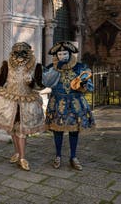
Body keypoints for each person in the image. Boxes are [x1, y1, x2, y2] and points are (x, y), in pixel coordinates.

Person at [0, 42, 45, 171]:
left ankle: (22, 158)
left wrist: (32, 82)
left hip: (27, 104)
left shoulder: (36, 66)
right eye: (16, 53)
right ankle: (17, 153)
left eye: (23, 53)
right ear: (13, 53)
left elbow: (41, 85)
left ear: (29, 54)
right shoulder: (7, 65)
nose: (19, 56)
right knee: (13, 129)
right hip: (9, 101)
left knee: (22, 130)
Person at [42, 41, 95, 171]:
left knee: (74, 130)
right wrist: (56, 69)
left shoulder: (80, 67)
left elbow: (91, 86)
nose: (63, 56)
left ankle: (73, 157)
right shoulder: (51, 67)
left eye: (65, 53)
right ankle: (58, 156)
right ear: (56, 55)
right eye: (60, 54)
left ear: (70, 54)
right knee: (57, 131)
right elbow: (46, 82)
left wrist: (83, 85)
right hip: (57, 103)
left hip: (75, 103)